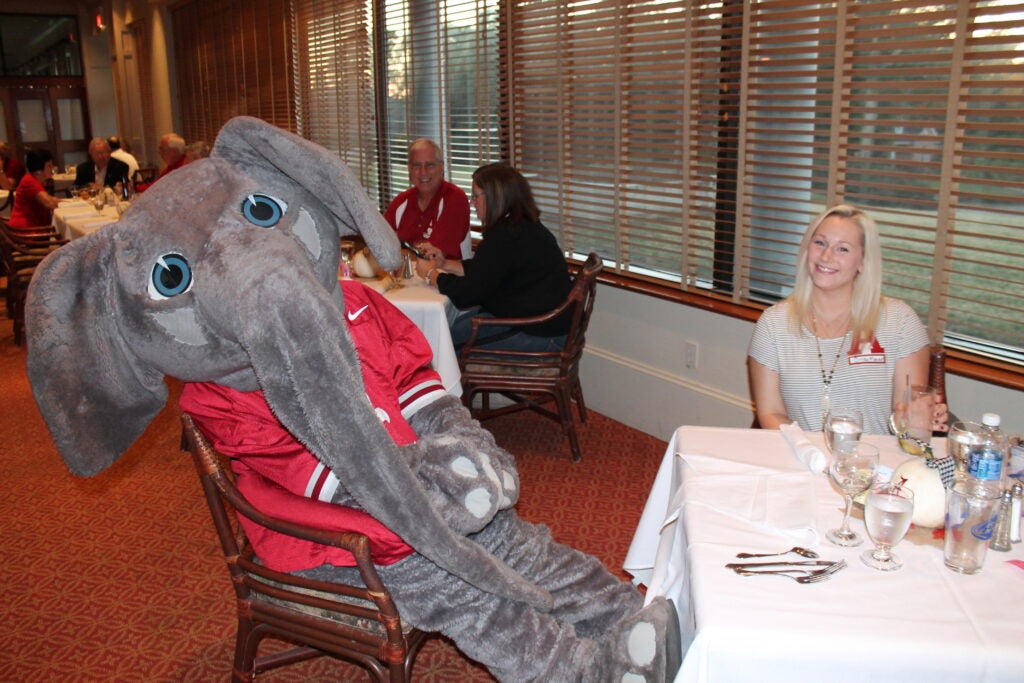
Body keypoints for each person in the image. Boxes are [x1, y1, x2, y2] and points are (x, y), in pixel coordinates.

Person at [748, 204, 949, 435]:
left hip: (874, 463)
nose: (826, 256)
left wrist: (914, 417)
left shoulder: (900, 322)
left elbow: (906, 414)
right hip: (803, 461)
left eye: (842, 249)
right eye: (820, 243)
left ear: (863, 261)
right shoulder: (773, 324)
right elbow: (771, 413)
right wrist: (810, 454)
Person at [414, 163, 573, 353]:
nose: (472, 202)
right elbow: (488, 270)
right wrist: (445, 264)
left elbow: (468, 294)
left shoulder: (504, 236)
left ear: (495, 197)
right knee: (447, 329)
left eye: (475, 195)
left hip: (540, 336)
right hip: (545, 326)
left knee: (438, 342)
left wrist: (431, 274)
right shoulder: (521, 226)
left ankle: (455, 383)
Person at [384, 138, 470, 260]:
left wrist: (398, 252)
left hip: (443, 277)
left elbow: (432, 257)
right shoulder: (401, 202)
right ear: (409, 169)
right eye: (416, 165)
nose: (423, 172)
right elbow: (381, 246)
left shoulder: (455, 198)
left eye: (430, 165)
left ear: (441, 167)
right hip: (404, 276)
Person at [8, 148, 61, 229]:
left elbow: (50, 199)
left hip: (32, 228)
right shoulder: (30, 181)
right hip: (27, 231)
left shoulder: (34, 179)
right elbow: (49, 203)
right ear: (39, 170)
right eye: (49, 166)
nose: (52, 169)